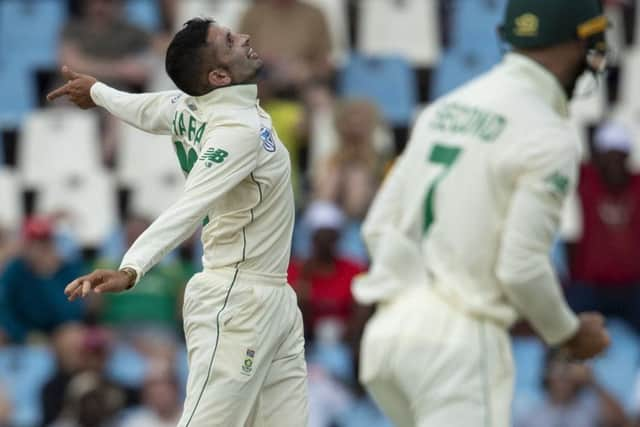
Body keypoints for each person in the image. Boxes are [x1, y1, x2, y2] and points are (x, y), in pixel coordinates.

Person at [353, 1, 611, 426]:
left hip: (390, 335)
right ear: (577, 40)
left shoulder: (443, 109)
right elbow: (521, 268)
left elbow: (377, 226)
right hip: (459, 344)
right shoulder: (548, 135)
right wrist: (569, 335)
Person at [47, 17, 307, 427]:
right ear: (219, 75)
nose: (244, 38)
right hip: (236, 299)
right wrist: (132, 266)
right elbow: (190, 204)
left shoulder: (190, 106)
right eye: (229, 41)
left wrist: (96, 91)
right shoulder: (236, 130)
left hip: (274, 298)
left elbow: (145, 108)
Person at [565, 121, 640, 333]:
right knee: (562, 331)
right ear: (598, 159)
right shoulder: (587, 180)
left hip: (633, 288)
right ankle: (555, 365)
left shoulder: (638, 185)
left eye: (619, 156)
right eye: (608, 156)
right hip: (590, 288)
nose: (614, 163)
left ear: (628, 157)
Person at [0, 217, 86, 343]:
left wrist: (46, 276)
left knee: (72, 335)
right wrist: (23, 334)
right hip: (24, 331)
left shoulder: (67, 268)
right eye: (33, 242)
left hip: (58, 332)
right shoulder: (15, 269)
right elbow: (4, 309)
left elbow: (71, 313)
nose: (39, 247)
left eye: (44, 241)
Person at [516, 351, 628, 427]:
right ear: (547, 372)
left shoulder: (589, 406)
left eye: (569, 368)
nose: (564, 376)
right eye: (558, 368)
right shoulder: (528, 410)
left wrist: (592, 381)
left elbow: (620, 421)